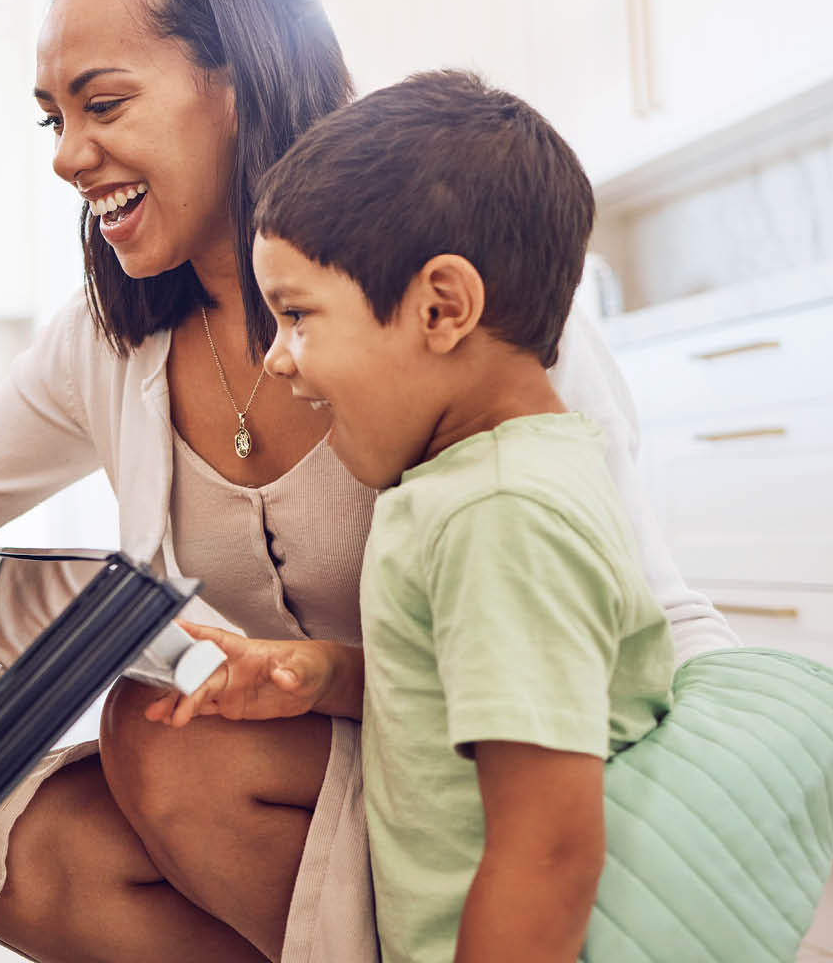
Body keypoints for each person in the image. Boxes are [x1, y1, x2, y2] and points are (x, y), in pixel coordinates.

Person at [0, 0, 735, 963]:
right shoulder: (114, 341)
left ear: (237, 80)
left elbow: (625, 623)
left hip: (503, 783)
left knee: (168, 749)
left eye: (102, 102)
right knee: (15, 825)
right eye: (54, 118)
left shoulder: (469, 333)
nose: (66, 156)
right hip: (381, 750)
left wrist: (729, 818)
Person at [223, 68, 672, 961]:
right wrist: (330, 675)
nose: (277, 361)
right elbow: (455, 700)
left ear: (442, 307)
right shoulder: (472, 488)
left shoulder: (500, 515)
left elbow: (547, 847)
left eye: (297, 316)